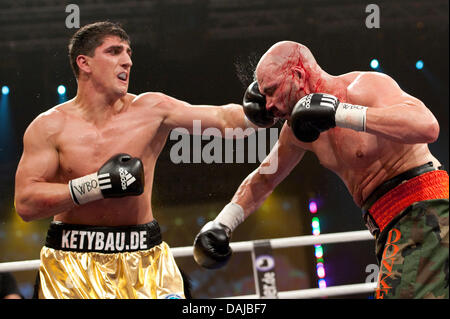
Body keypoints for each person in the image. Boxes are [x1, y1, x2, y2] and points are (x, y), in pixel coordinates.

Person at [14, 21, 253, 299]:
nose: (127, 61)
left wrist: (265, 108)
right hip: (71, 263)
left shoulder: (152, 109)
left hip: (144, 258)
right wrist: (98, 185)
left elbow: (224, 119)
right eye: (114, 52)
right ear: (84, 63)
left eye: (128, 53)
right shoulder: (49, 127)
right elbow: (26, 204)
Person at [193, 41, 449, 299]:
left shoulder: (363, 87)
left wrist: (341, 113)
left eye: (271, 91)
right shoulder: (298, 131)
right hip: (389, 225)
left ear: (298, 76)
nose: (267, 105)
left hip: (424, 209)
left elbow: (427, 127)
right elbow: (265, 179)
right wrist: (223, 223)